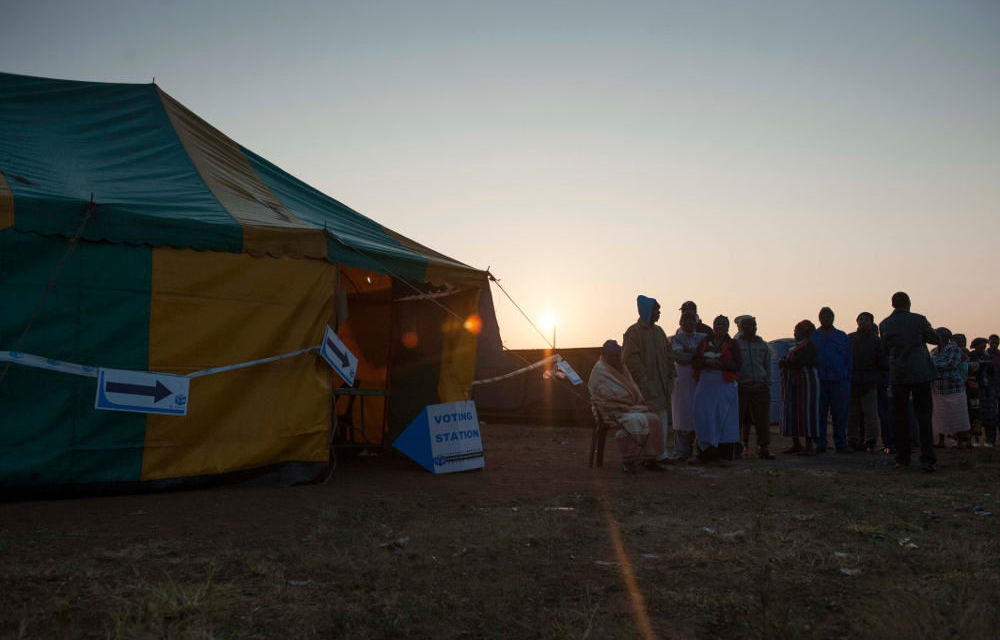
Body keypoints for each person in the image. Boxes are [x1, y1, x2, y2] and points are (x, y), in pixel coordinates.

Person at [879, 292, 939, 471]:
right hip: (920, 373)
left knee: (899, 418)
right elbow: (934, 339)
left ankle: (902, 458)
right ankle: (927, 458)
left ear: (892, 305)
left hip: (898, 374)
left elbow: (885, 350)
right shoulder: (919, 320)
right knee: (924, 417)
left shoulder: (885, 324)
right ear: (909, 304)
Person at [588, 340, 665, 471]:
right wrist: (625, 402)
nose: (616, 358)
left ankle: (650, 459)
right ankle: (628, 462)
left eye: (618, 355)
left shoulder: (622, 367)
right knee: (632, 422)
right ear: (605, 356)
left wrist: (632, 402)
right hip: (610, 411)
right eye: (612, 356)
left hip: (629, 408)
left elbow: (632, 388)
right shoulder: (599, 371)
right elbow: (604, 395)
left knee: (654, 419)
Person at [623, 295, 677, 461]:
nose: (659, 313)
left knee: (661, 420)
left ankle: (660, 454)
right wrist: (644, 381)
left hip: (661, 386)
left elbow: (669, 355)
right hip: (643, 388)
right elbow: (631, 359)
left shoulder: (659, 332)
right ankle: (648, 456)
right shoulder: (633, 332)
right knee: (647, 422)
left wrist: (670, 376)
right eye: (656, 310)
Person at [692, 315, 742, 465]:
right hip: (706, 385)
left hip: (724, 386)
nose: (720, 327)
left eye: (723, 324)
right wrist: (707, 362)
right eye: (717, 324)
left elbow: (737, 364)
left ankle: (723, 455)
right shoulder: (704, 342)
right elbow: (695, 360)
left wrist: (720, 364)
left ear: (727, 327)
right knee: (704, 418)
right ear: (713, 326)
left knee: (724, 419)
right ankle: (705, 454)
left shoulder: (732, 344)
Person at [812, 307, 853, 453]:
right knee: (819, 414)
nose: (826, 319)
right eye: (823, 316)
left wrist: (847, 378)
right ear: (819, 318)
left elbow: (849, 359)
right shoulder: (814, 336)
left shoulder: (841, 336)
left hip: (839, 381)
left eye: (829, 316)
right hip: (820, 382)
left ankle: (841, 443)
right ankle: (820, 443)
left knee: (840, 414)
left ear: (833, 318)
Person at [779, 320, 821, 455]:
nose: (794, 333)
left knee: (808, 412)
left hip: (807, 384)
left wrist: (789, 362)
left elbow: (803, 361)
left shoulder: (810, 346)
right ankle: (796, 443)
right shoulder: (795, 347)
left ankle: (809, 445)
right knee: (792, 411)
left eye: (797, 330)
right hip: (793, 383)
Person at [734, 316, 773, 459]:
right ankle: (736, 446)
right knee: (739, 419)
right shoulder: (736, 344)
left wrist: (767, 383)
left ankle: (763, 447)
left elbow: (767, 365)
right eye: (749, 325)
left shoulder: (762, 345)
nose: (752, 328)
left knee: (762, 419)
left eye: (754, 325)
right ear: (742, 327)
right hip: (742, 387)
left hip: (760, 387)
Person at [847, 312, 887, 451]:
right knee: (852, 415)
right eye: (861, 319)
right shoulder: (850, 338)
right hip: (853, 381)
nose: (863, 322)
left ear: (871, 322)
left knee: (871, 415)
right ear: (857, 321)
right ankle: (852, 440)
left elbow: (882, 362)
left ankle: (871, 441)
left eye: (866, 320)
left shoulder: (876, 341)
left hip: (869, 382)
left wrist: (878, 379)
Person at [671, 310, 706, 461]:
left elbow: (706, 355)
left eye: (692, 320)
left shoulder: (704, 338)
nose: (689, 324)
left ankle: (702, 451)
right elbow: (680, 358)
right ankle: (682, 452)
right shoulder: (675, 339)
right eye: (686, 321)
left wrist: (690, 352)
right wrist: (697, 354)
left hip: (700, 382)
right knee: (682, 417)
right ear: (681, 323)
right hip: (682, 383)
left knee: (700, 416)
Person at [930, 328, 970, 447]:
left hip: (955, 388)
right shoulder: (935, 351)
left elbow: (950, 364)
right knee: (941, 417)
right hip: (939, 389)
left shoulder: (954, 349)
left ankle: (961, 442)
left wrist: (934, 365)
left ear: (944, 337)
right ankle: (941, 442)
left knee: (958, 416)